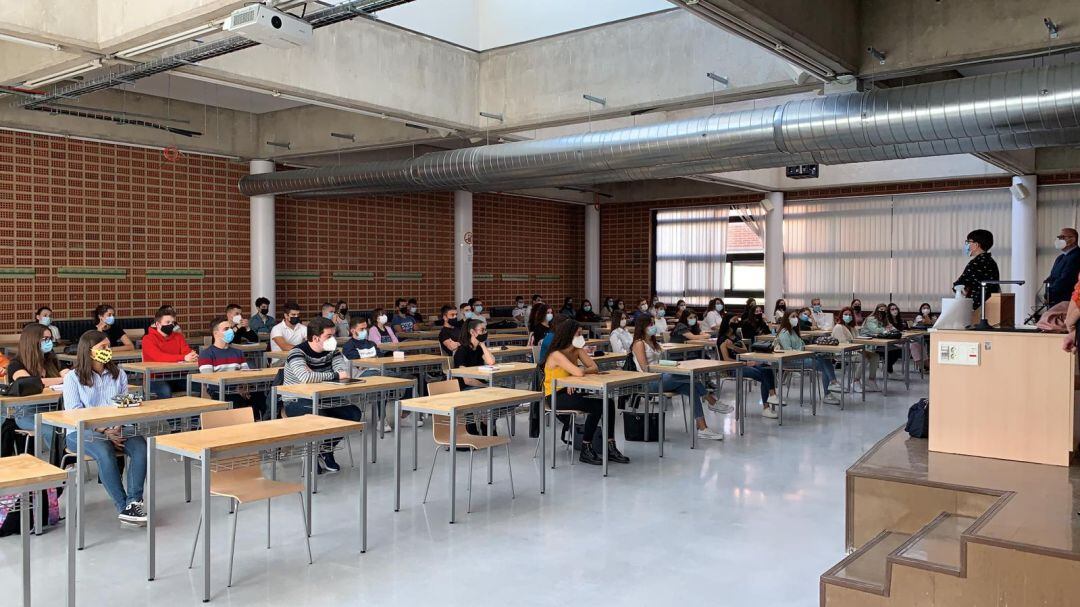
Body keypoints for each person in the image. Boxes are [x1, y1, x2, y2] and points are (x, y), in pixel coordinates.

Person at [62, 331, 147, 524]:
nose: (108, 350)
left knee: (141, 447)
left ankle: (134, 502)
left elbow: (124, 405)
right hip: (82, 431)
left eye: (109, 346)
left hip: (118, 427)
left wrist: (116, 427)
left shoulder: (119, 374)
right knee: (105, 451)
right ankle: (123, 506)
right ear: (88, 351)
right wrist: (105, 431)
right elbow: (75, 413)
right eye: (103, 347)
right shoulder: (72, 378)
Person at [544, 319, 631, 463]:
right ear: (568, 335)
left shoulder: (577, 350)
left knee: (608, 402)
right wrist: (576, 374)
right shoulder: (556, 354)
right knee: (597, 407)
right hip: (555, 395)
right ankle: (586, 447)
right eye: (578, 334)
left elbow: (594, 367)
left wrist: (575, 375)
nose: (581, 337)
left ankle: (610, 446)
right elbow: (579, 372)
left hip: (571, 391)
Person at [282, 316, 357, 473]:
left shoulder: (333, 352)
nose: (333, 340)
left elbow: (344, 373)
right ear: (316, 338)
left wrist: (318, 375)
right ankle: (311, 455)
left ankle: (325, 449)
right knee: (320, 417)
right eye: (329, 336)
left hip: (324, 397)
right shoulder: (297, 353)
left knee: (353, 414)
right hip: (296, 400)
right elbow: (306, 377)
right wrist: (333, 375)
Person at [630, 315, 724, 440]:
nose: (653, 326)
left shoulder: (654, 343)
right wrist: (663, 368)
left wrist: (669, 364)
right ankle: (711, 401)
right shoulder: (639, 343)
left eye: (653, 324)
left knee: (691, 387)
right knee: (685, 375)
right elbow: (644, 367)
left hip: (662, 377)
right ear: (643, 326)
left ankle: (703, 428)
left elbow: (660, 361)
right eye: (650, 324)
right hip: (649, 381)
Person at [7, 323, 67, 447]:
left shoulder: (52, 360)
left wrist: (62, 378)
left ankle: (71, 458)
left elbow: (69, 376)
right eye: (45, 339)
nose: (49, 342)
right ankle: (59, 459)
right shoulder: (16, 364)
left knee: (73, 426)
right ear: (32, 341)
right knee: (55, 431)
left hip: (55, 409)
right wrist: (61, 379)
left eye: (50, 339)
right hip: (27, 413)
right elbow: (29, 383)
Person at [198, 317, 266, 419]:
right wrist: (235, 389)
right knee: (238, 401)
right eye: (226, 329)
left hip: (239, 389)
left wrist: (244, 387)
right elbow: (209, 380)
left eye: (230, 328)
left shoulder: (238, 352)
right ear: (216, 333)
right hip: (219, 391)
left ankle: (265, 422)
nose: (230, 331)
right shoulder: (206, 354)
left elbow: (246, 374)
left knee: (260, 396)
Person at [717, 317, 780, 418]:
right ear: (727, 322)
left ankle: (772, 397)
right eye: (734, 320)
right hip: (733, 367)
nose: (736, 322)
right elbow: (726, 360)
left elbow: (745, 351)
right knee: (764, 375)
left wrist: (734, 347)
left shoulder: (736, 336)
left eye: (737, 320)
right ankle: (767, 406)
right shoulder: (722, 339)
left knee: (766, 368)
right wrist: (745, 364)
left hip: (744, 363)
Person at [775, 310, 839, 404]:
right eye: (793, 317)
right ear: (786, 319)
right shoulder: (784, 333)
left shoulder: (794, 331)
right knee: (823, 364)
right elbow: (788, 351)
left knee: (824, 358)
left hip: (801, 357)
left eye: (796, 316)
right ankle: (830, 390)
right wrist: (806, 353)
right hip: (791, 360)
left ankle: (832, 385)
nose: (796, 319)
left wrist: (811, 352)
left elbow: (802, 347)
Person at [141, 308, 197, 398]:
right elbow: (159, 357)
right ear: (158, 324)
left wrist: (192, 356)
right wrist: (184, 357)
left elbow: (187, 352)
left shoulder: (178, 337)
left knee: (201, 385)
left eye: (172, 322)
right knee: (165, 391)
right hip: (155, 378)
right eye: (167, 322)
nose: (171, 325)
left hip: (178, 376)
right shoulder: (148, 339)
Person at [954, 229, 1000, 309]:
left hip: (976, 307)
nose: (966, 245)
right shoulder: (991, 262)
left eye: (968, 242)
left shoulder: (976, 263)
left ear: (976, 245)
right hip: (991, 306)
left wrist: (958, 288)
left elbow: (960, 284)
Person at [831, 306, 869, 393]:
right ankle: (855, 381)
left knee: (870, 355)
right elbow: (841, 343)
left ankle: (859, 380)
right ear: (841, 316)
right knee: (865, 358)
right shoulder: (838, 327)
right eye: (845, 314)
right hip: (842, 353)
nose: (848, 316)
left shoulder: (852, 327)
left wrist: (859, 346)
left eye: (850, 315)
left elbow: (857, 339)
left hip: (853, 350)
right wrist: (856, 347)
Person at [453, 319, 496, 388]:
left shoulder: (479, 348)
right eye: (482, 330)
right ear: (472, 332)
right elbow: (468, 380)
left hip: (480, 385)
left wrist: (482, 344)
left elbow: (491, 362)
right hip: (468, 387)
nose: (485, 332)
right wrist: (487, 387)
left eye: (485, 330)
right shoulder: (462, 351)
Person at [856, 305, 891, 389]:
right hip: (863, 344)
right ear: (876, 310)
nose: (883, 311)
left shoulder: (884, 320)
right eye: (881, 309)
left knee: (876, 356)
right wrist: (886, 329)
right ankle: (856, 380)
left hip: (874, 344)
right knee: (866, 358)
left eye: (885, 310)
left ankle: (871, 380)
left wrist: (889, 329)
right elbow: (876, 330)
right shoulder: (871, 319)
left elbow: (890, 328)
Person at [1046, 228, 1080, 306]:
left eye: (1062, 237)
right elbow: (1052, 277)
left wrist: (1051, 293)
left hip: (1068, 302)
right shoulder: (1060, 257)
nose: (1059, 240)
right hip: (1056, 300)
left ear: (1073, 239)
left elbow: (1065, 280)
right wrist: (1048, 292)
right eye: (1059, 237)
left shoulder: (1077, 256)